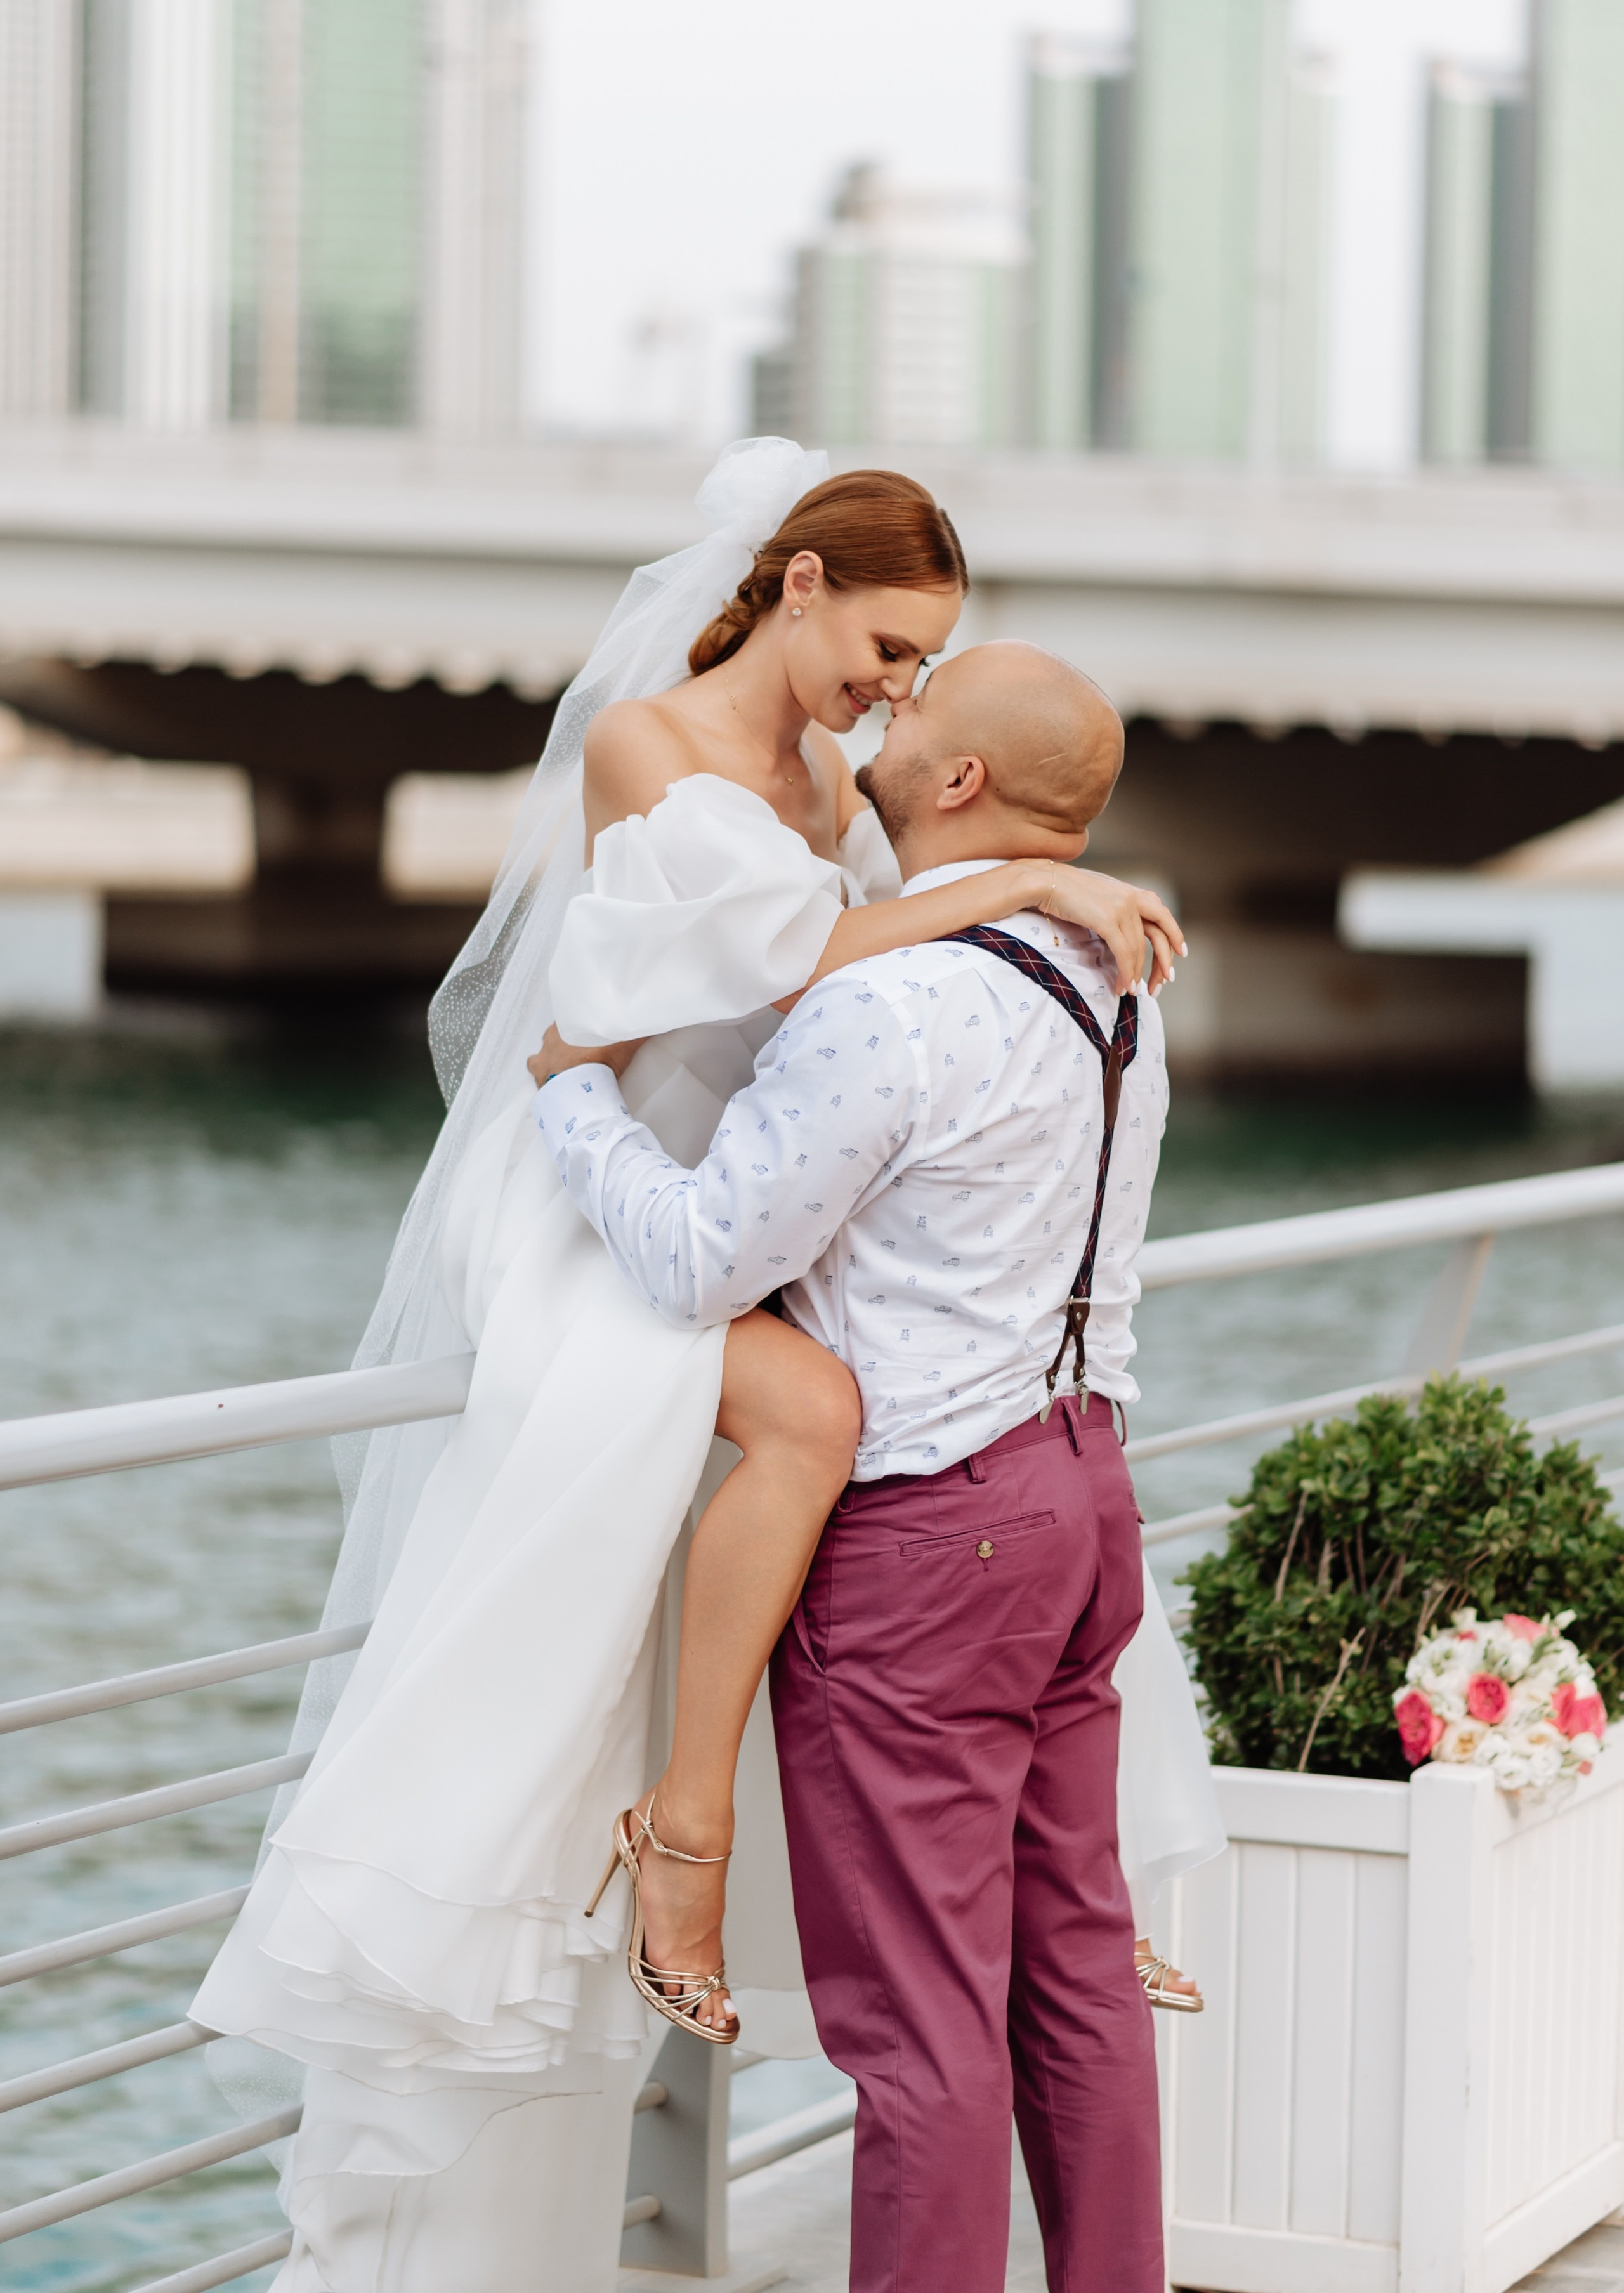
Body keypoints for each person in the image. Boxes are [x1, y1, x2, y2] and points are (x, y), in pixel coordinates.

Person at [191, 443, 1217, 2293]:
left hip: (742, 1212)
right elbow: (791, 970)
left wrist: (1019, 883)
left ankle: (686, 1820)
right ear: (800, 580)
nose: (894, 696)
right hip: (643, 1183)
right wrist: (1037, 891)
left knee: (932, 2012)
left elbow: (831, 997)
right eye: (892, 647)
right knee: (1049, 1949)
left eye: (926, 679)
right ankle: (678, 1822)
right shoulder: (650, 750)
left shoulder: (846, 795)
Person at [531, 639, 1167, 2293]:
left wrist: (578, 1102)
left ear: (958, 785)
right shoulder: (1109, 982)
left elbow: (696, 1263)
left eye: (918, 715)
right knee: (1077, 1972)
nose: (886, 718)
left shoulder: (890, 1003)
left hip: (935, 1535)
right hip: (1083, 1493)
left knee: (924, 2027)